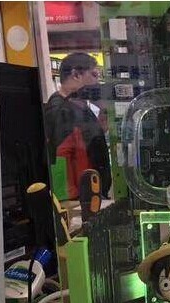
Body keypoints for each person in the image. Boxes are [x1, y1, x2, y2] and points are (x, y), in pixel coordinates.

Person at [44, 52, 111, 200]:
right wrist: (71, 200)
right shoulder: (60, 109)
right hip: (80, 198)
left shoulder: (77, 105)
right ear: (76, 75)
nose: (97, 81)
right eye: (93, 75)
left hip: (90, 193)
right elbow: (60, 157)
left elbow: (86, 143)